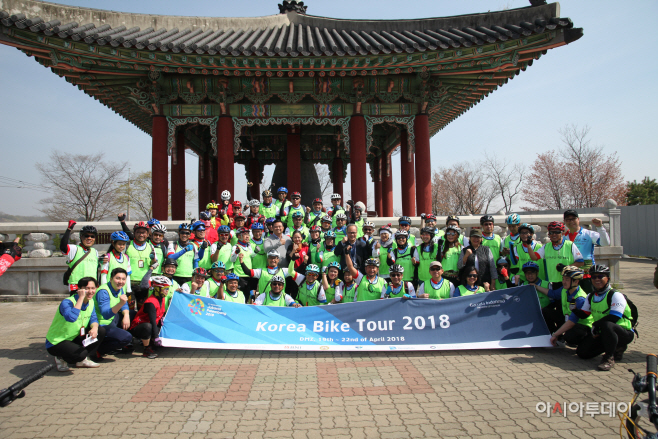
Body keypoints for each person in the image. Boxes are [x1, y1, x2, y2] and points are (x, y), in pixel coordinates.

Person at [573, 265, 635, 371]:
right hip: (604, 332)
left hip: (623, 332)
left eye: (600, 276)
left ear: (608, 278)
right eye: (594, 277)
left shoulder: (615, 295)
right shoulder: (591, 296)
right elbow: (584, 314)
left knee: (608, 325)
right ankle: (614, 347)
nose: (597, 279)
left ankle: (609, 357)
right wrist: (574, 309)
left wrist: (596, 324)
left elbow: (614, 317)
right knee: (582, 353)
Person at [46, 277, 106, 371]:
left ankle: (82, 360)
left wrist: (94, 328)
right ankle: (60, 357)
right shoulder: (67, 302)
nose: (90, 291)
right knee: (81, 354)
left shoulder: (91, 302)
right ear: (79, 289)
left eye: (93, 288)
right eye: (87, 288)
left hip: (74, 337)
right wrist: (81, 298)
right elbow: (71, 318)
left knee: (100, 331)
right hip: (57, 341)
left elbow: (93, 318)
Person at [543, 266, 592, 348]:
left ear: (576, 282)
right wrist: (535, 286)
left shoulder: (580, 298)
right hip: (567, 318)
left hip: (580, 325)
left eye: (567, 279)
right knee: (546, 311)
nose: (563, 282)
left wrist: (555, 334)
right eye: (563, 279)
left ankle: (583, 341)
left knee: (569, 337)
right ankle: (558, 338)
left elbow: (572, 321)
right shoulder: (564, 289)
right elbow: (553, 294)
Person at [563, 210, 610, 293]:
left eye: (573, 219)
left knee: (589, 299)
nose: (571, 221)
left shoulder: (588, 234)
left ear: (578, 219)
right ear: (565, 221)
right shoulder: (564, 237)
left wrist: (600, 227)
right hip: (571, 275)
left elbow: (605, 243)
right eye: (568, 219)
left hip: (587, 275)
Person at [528, 221, 584, 290]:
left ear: (562, 233)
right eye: (551, 232)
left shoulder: (570, 245)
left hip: (568, 282)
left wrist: (566, 268)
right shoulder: (546, 246)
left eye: (557, 232)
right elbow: (534, 257)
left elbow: (581, 262)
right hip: (553, 283)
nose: (554, 234)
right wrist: (528, 245)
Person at [94, 268, 133, 359]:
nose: (121, 281)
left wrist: (126, 315)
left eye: (123, 279)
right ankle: (98, 349)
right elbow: (106, 315)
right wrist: (120, 303)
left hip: (112, 319)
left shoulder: (119, 288)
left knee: (133, 315)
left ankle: (117, 340)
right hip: (101, 324)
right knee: (126, 337)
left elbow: (124, 304)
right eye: (118, 278)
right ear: (111, 279)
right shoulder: (103, 292)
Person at [130, 275, 172, 358]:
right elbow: (152, 321)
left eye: (167, 288)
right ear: (158, 289)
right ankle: (146, 348)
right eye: (165, 289)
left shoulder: (162, 298)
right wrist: (156, 337)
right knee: (148, 326)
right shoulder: (151, 302)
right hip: (139, 327)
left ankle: (152, 342)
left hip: (152, 325)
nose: (167, 291)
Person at [518, 261, 560, 333]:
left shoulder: (547, 284)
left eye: (532, 273)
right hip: (530, 314)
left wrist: (543, 309)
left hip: (545, 315)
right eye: (527, 273)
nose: (530, 275)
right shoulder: (523, 285)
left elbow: (554, 303)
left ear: (537, 273)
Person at [60, 221, 101, 293]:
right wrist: (69, 229)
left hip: (91, 286)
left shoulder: (95, 252)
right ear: (81, 237)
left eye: (92, 236)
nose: (89, 238)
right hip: (77, 285)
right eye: (86, 236)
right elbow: (63, 247)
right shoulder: (74, 249)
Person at [230, 227, 256, 293]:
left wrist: (255, 252)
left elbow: (251, 256)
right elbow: (232, 260)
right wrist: (236, 253)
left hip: (248, 274)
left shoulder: (248, 246)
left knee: (247, 295)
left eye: (248, 234)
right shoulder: (236, 246)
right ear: (239, 236)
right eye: (245, 234)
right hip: (240, 275)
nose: (247, 236)